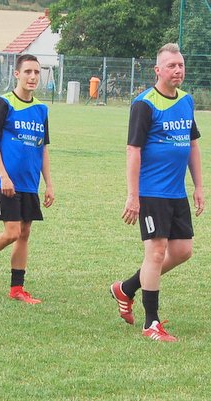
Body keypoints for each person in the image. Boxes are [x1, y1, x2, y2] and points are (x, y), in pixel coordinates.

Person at [112, 43, 204, 342]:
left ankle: (126, 288)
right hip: (152, 191)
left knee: (183, 251)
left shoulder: (186, 101)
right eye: (171, 66)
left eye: (180, 65)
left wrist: (199, 186)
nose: (178, 70)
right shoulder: (144, 104)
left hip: (177, 193)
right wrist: (133, 195)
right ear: (158, 70)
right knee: (156, 251)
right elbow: (133, 150)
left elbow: (192, 145)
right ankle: (151, 323)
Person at [0, 54, 54, 303]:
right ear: (17, 74)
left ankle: (17, 288)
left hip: (29, 183)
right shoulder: (3, 103)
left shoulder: (41, 109)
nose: (32, 77)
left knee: (24, 232)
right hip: (7, 182)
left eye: (36, 72)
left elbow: (43, 148)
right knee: (12, 232)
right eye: (27, 72)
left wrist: (49, 183)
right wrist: (3, 176)